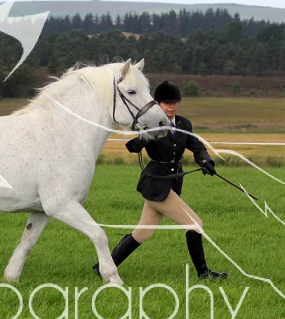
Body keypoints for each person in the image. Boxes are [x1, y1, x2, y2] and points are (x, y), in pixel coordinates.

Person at [94, 81, 227, 280]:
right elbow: (132, 147)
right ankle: (204, 273)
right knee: (194, 224)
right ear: (158, 104)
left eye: (175, 103)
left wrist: (205, 160)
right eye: (167, 103)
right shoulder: (151, 123)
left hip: (172, 183)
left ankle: (102, 267)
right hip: (155, 184)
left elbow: (196, 146)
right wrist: (146, 137)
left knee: (141, 234)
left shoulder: (184, 124)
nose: (172, 107)